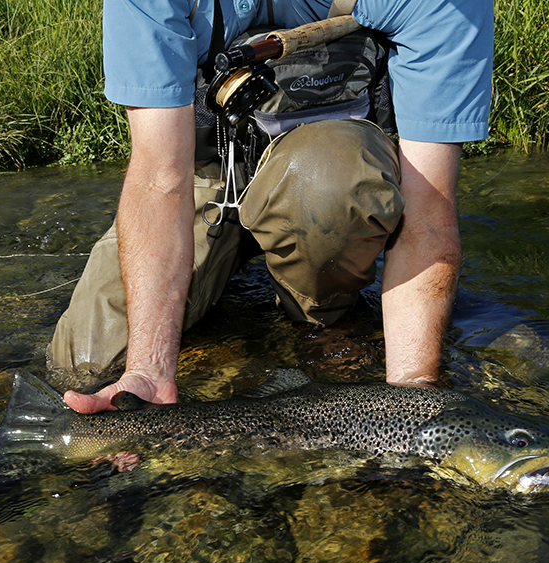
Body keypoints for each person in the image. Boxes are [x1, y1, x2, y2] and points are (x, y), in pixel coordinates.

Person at [48, 0, 494, 413]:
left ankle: (324, 321)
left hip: (330, 170)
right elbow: (159, 179)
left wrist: (413, 395)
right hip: (204, 170)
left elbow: (428, 212)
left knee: (326, 180)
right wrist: (147, 370)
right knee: (84, 363)